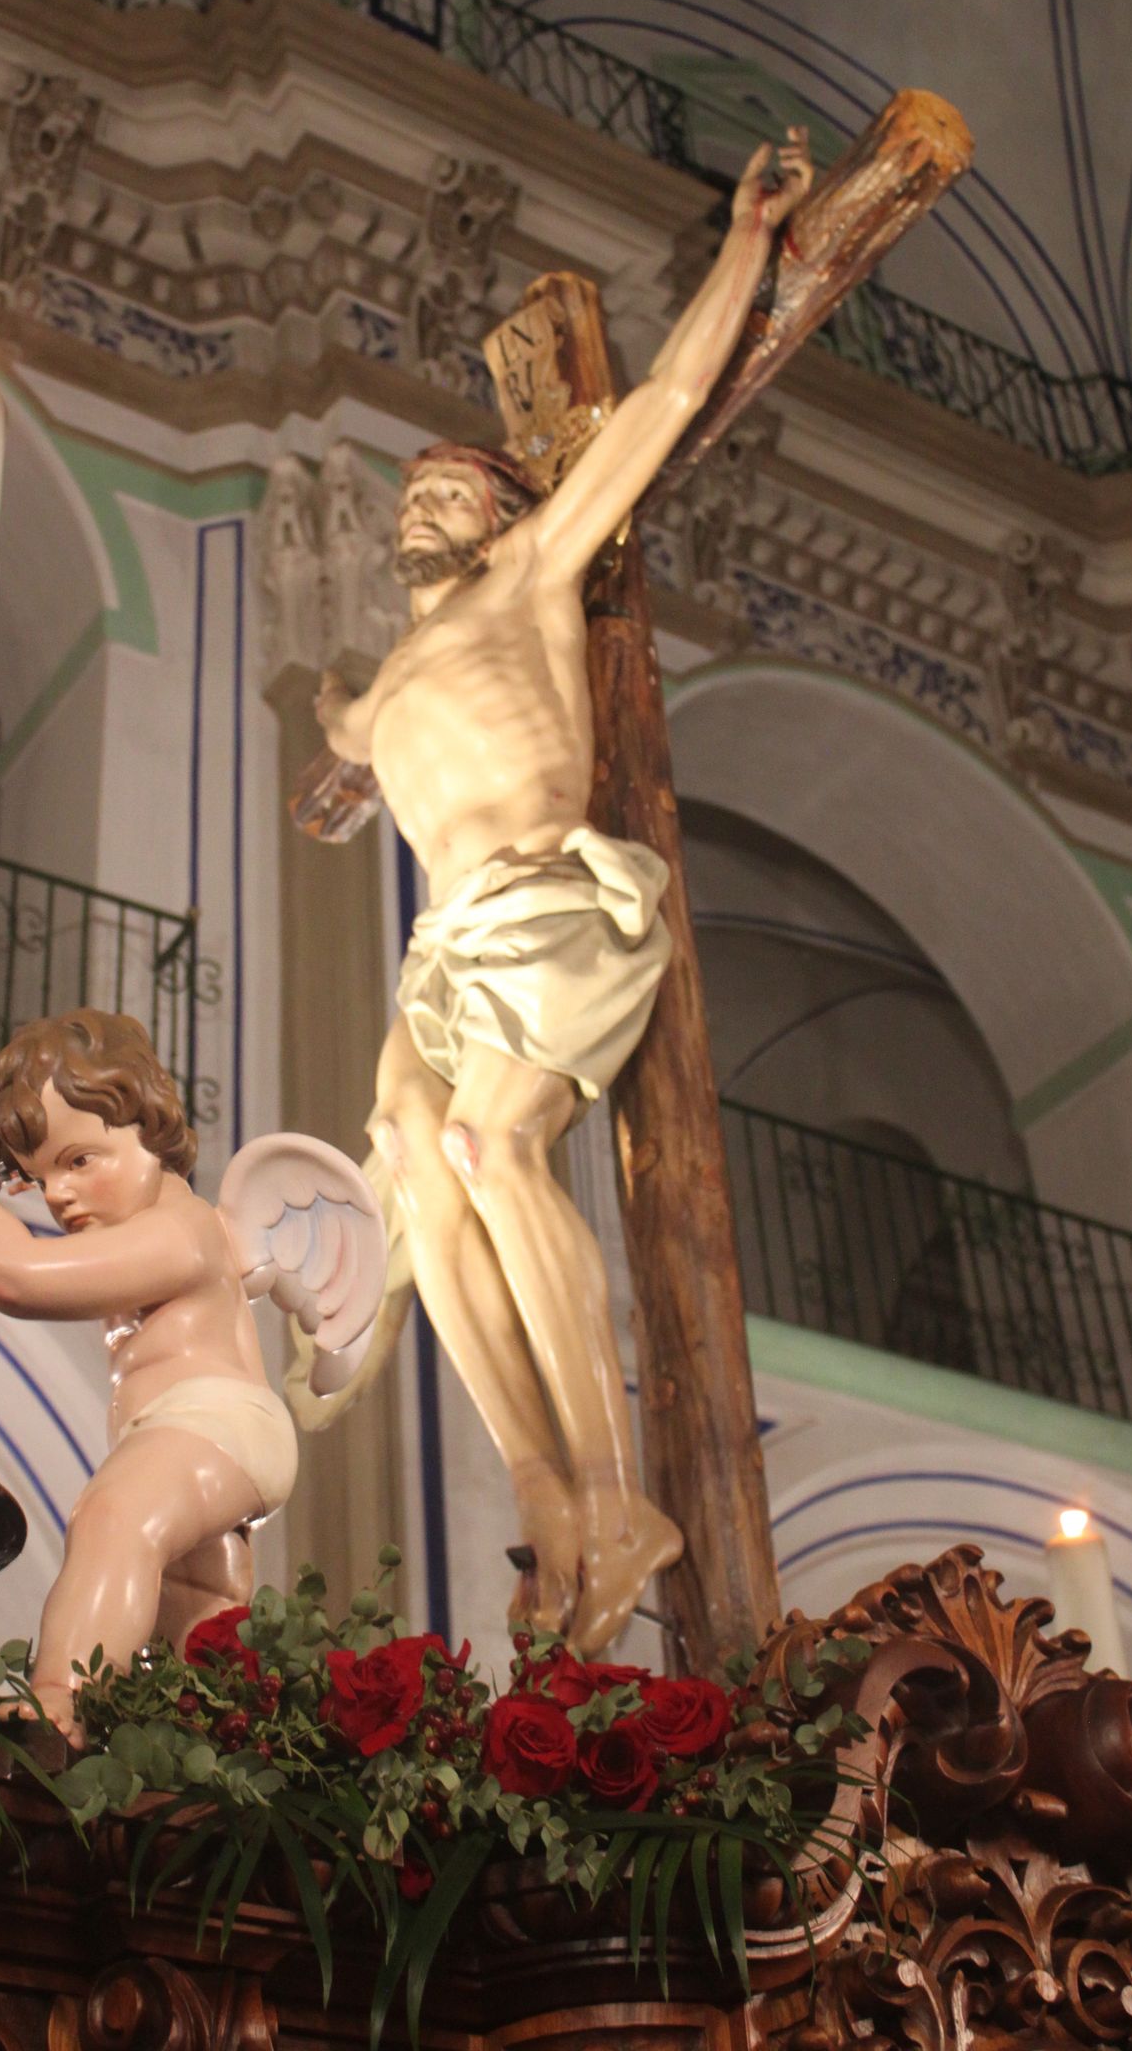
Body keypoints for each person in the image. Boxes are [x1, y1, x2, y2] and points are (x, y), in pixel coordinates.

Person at [313, 130, 813, 1654]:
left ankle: (617, 1485)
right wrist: (344, 751)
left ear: (500, 508)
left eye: (452, 490)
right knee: (409, 1148)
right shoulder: (378, 689)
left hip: (545, 900)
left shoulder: (535, 572)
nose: (427, 506)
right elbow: (351, 759)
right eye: (412, 497)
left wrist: (747, 247)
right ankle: (543, 1491)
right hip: (441, 951)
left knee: (493, 1142)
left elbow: (662, 405)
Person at [0, 1008, 296, 1745]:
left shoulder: (181, 1231)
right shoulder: (149, 1231)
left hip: (216, 1421)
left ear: (150, 1131)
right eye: (38, 1175)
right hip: (192, 1431)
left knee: (114, 1518)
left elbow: (16, 1275)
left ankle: (60, 1700)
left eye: (79, 1161)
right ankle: (209, 1742)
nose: (56, 1194)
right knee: (194, 1609)